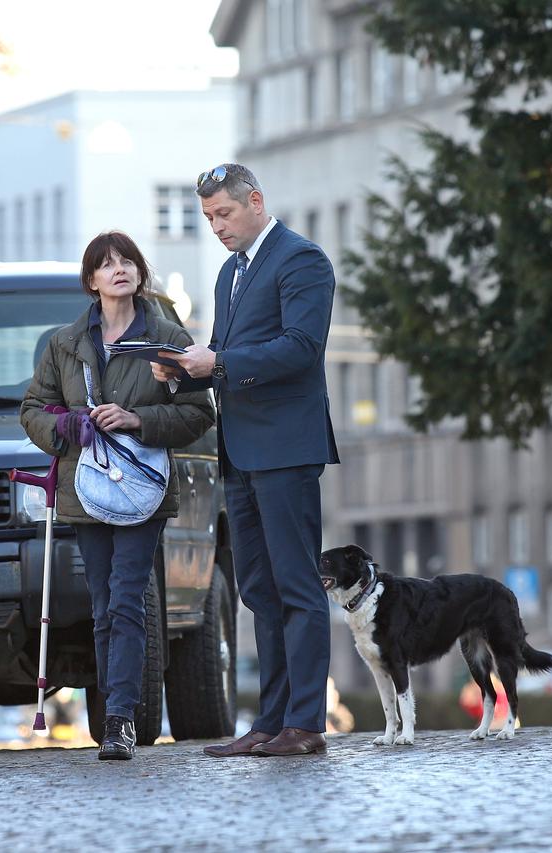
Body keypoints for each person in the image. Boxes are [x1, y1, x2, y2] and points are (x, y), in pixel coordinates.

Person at [152, 163, 339, 757]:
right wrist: (183, 374)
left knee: (297, 585)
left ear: (255, 201)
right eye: (208, 218)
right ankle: (270, 723)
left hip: (286, 449)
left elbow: (301, 349)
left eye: (224, 214)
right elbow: (226, 362)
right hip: (242, 450)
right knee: (259, 590)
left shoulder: (301, 259)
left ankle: (306, 725)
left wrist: (218, 364)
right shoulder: (231, 273)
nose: (216, 227)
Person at [21, 231, 214, 760]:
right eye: (106, 265)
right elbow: (33, 409)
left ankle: (120, 720)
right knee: (104, 604)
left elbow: (201, 415)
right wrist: (70, 427)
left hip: (143, 488)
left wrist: (137, 419)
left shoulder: (169, 338)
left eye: (126, 260)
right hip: (84, 488)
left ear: (139, 272)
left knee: (128, 599)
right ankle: (115, 713)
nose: (118, 269)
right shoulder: (65, 343)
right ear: (92, 281)